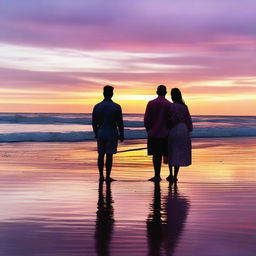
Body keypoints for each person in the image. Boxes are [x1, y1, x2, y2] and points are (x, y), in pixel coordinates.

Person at [92, 85, 124, 182]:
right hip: (112, 133)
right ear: (112, 94)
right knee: (109, 156)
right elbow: (119, 122)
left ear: (103, 93)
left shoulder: (97, 106)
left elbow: (94, 122)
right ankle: (108, 176)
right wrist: (122, 134)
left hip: (101, 133)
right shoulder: (116, 107)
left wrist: (96, 133)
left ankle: (101, 175)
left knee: (101, 155)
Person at [144, 85, 172, 182]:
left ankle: (157, 175)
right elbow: (171, 120)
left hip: (153, 132)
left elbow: (147, 119)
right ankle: (170, 174)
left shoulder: (151, 103)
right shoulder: (169, 104)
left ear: (157, 92)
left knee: (156, 155)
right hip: (166, 133)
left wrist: (149, 130)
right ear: (165, 92)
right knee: (166, 154)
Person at [167, 88, 193, 182]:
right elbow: (188, 120)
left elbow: (170, 119)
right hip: (183, 130)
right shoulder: (184, 106)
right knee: (179, 152)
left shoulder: (171, 106)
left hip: (174, 129)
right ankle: (175, 175)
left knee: (171, 151)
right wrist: (189, 129)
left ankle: (170, 173)